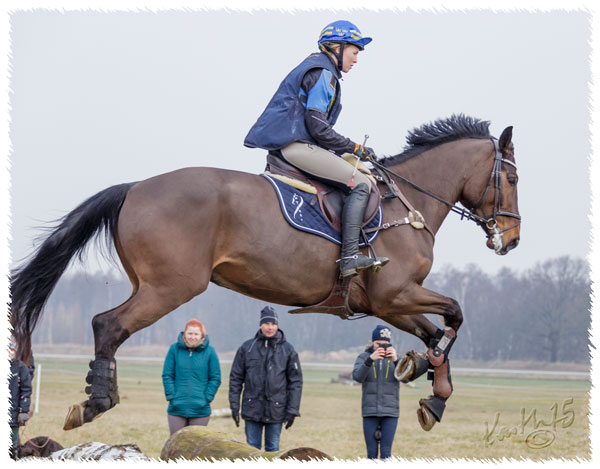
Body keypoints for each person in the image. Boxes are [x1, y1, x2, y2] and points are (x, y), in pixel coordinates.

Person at [244, 20, 388, 279]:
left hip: (297, 144)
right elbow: (318, 127)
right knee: (361, 184)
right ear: (338, 47)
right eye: (354, 52)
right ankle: (349, 257)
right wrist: (354, 147)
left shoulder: (318, 67)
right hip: (296, 147)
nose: (356, 60)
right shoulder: (324, 73)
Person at [228, 306, 303, 452]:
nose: (270, 327)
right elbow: (236, 379)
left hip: (276, 410)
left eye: (273, 324)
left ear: (277, 325)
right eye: (267, 323)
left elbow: (296, 382)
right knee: (251, 450)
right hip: (252, 409)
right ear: (260, 325)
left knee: (273, 450)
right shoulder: (247, 348)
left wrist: (293, 410)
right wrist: (235, 406)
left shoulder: (288, 350)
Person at [162, 319, 221, 435]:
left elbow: (215, 377)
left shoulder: (210, 352)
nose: (192, 337)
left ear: (202, 335)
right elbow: (167, 375)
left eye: (196, 334)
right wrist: (172, 397)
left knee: (195, 446)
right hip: (176, 408)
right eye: (190, 333)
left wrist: (207, 398)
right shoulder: (174, 349)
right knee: (176, 445)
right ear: (184, 334)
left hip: (200, 409)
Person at [352, 325, 400, 460]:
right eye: (379, 344)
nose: (382, 348)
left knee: (386, 453)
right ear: (372, 342)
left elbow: (407, 378)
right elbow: (357, 377)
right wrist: (370, 360)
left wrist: (397, 361)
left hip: (390, 413)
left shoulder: (396, 359)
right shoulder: (363, 357)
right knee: (371, 453)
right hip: (370, 412)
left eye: (386, 345)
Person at [8, 337, 32, 460]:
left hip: (13, 415)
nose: (9, 352)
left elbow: (26, 390)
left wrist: (24, 410)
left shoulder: (21, 368)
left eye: (12, 350)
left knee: (11, 445)